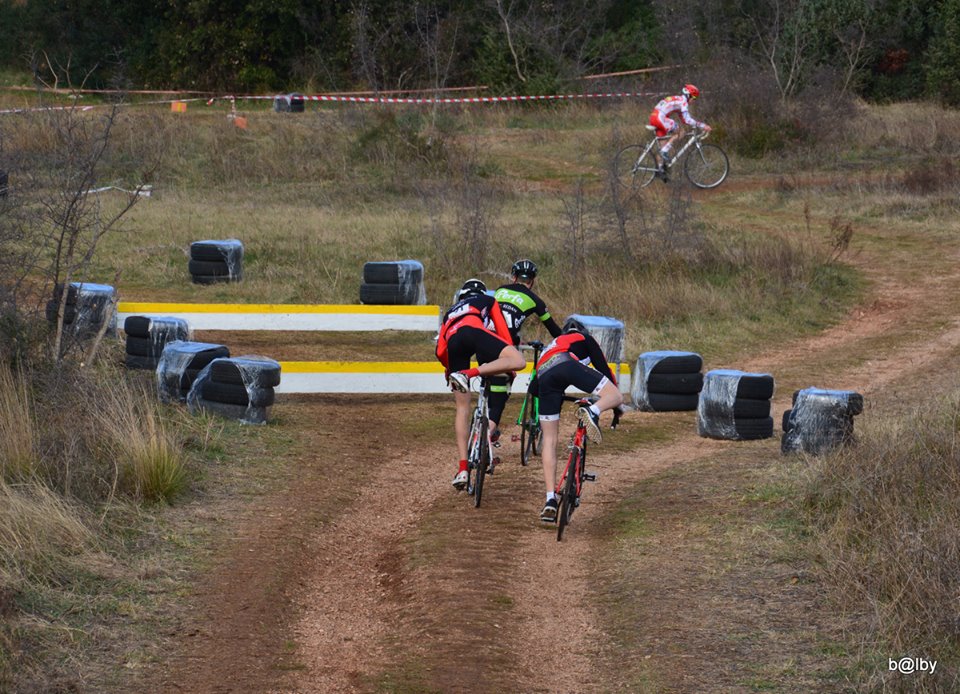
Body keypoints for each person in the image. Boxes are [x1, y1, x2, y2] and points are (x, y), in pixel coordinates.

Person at [530, 317, 624, 522]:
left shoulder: (550, 346)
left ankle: (550, 499)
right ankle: (593, 412)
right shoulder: (585, 338)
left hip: (545, 375)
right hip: (567, 364)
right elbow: (604, 370)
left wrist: (553, 401)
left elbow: (533, 389)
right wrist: (615, 409)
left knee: (549, 440)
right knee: (616, 395)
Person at [436, 278, 526, 490]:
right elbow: (502, 332)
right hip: (475, 333)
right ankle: (471, 373)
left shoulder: (450, 312)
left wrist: (450, 373)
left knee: (462, 408)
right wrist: (508, 359)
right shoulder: (487, 300)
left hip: (454, 343)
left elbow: (440, 350)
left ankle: (463, 469)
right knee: (518, 361)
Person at [488, 259, 563, 443]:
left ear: (514, 277)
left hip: (484, 340)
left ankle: (482, 418)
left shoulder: (500, 290)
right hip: (503, 347)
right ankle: (488, 433)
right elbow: (553, 329)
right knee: (503, 385)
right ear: (532, 281)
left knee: (487, 381)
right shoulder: (536, 301)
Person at [649, 84, 711, 173]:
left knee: (664, 145)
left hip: (654, 117)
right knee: (681, 132)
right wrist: (702, 125)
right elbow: (687, 119)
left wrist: (694, 123)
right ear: (689, 95)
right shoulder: (683, 102)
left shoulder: (678, 100)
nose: (694, 101)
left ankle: (660, 170)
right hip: (660, 118)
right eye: (694, 98)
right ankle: (663, 152)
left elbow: (685, 119)